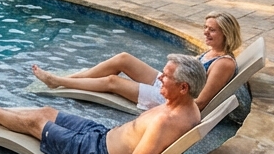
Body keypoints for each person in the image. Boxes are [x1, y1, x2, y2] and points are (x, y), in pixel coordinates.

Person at [0, 53, 207, 154]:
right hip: (100, 135)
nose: (159, 78)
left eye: (166, 76)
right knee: (46, 111)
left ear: (183, 87)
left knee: (37, 123)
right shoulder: (187, 106)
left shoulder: (167, 120)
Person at [32, 11, 242, 112]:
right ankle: (69, 78)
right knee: (123, 58)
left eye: (212, 30)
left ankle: (58, 81)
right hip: (170, 84)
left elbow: (200, 101)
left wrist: (168, 105)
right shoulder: (211, 52)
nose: (205, 33)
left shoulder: (224, 63)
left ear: (226, 33)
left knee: (113, 82)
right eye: (205, 28)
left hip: (173, 98)